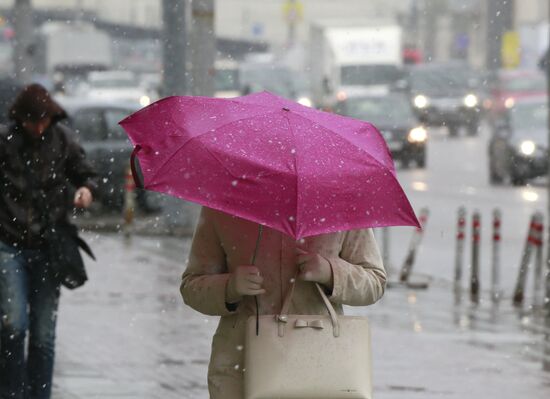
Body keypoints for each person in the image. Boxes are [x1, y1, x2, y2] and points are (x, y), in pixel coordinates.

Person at [180, 206, 387, 398]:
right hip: (240, 368)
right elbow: (191, 287)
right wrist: (229, 287)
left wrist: (331, 272)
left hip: (319, 365)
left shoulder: (340, 203)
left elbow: (375, 282)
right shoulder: (224, 206)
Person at [0, 84, 98, 399]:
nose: (39, 127)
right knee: (13, 325)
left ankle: (39, 394)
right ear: (21, 118)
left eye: (43, 120)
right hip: (8, 244)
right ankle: (12, 392)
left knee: (43, 334)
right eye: (32, 121)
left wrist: (86, 190)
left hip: (48, 246)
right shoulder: (5, 143)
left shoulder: (63, 140)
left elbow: (86, 174)